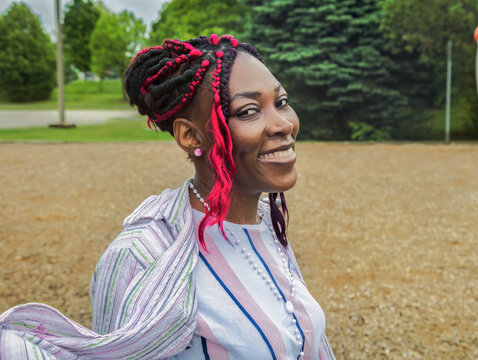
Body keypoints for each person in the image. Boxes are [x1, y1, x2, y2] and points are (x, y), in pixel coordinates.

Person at [0, 34, 335, 359]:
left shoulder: (267, 225)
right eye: (248, 111)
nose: (283, 125)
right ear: (190, 135)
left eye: (281, 103)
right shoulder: (141, 256)